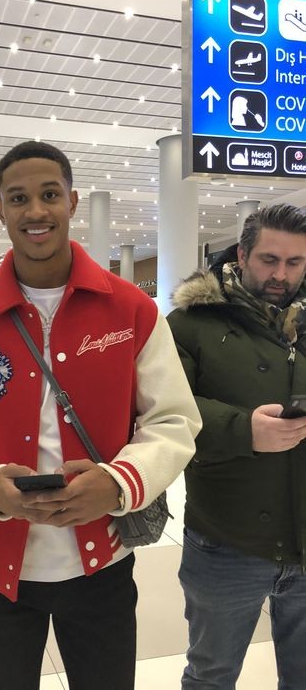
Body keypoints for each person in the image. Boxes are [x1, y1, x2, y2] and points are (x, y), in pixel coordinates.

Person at [0, 140, 201, 690]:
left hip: (102, 563)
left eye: (49, 195)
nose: (35, 211)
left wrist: (118, 483)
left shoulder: (131, 309)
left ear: (71, 202)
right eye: (18, 198)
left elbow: (173, 421)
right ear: (0, 209)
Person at [167, 203, 306, 689]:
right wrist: (241, 429)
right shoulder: (190, 324)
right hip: (226, 541)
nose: (281, 274)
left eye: (294, 262)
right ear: (242, 255)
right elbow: (162, 413)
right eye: (269, 260)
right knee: (211, 675)